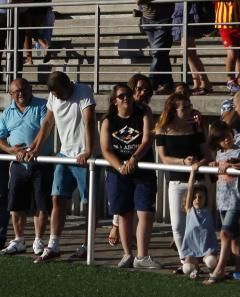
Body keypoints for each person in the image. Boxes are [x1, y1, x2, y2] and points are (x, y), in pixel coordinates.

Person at [27, 72, 96, 263]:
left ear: (67, 86)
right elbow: (48, 122)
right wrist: (34, 148)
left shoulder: (84, 91)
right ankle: (54, 245)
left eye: (59, 93)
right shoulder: (53, 95)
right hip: (64, 155)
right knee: (57, 198)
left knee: (89, 203)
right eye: (54, 94)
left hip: (82, 156)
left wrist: (89, 151)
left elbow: (88, 120)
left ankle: (86, 245)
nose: (57, 97)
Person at [100, 83, 159, 270]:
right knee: (124, 213)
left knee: (145, 213)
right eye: (121, 96)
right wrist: (120, 166)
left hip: (141, 171)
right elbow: (106, 149)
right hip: (119, 173)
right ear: (114, 100)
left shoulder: (143, 113)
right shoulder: (108, 120)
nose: (126, 98)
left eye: (128, 95)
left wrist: (134, 159)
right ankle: (127, 254)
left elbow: (147, 140)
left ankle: (142, 255)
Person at [155, 93, 209, 269]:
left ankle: (200, 255)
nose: (188, 110)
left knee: (198, 223)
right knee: (178, 225)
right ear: (173, 110)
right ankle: (184, 259)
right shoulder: (162, 129)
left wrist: (198, 164)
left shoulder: (195, 129)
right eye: (183, 108)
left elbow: (207, 154)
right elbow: (164, 158)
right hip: (177, 181)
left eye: (189, 106)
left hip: (198, 182)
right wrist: (183, 162)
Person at [0, 79, 52, 258]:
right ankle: (19, 239)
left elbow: (44, 130)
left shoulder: (43, 106)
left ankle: (38, 239)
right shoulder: (7, 113)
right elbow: (1, 137)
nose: (19, 94)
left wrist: (31, 150)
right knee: (15, 204)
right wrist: (11, 150)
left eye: (22, 89)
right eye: (15, 92)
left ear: (30, 89)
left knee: (41, 203)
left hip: (40, 162)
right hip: (17, 165)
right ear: (11, 94)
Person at [206, 121, 240, 283]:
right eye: (222, 138)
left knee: (225, 233)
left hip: (236, 199)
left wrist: (232, 166)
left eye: (228, 135)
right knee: (234, 236)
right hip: (222, 199)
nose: (226, 139)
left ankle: (219, 269)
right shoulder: (218, 155)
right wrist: (213, 165)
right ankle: (239, 268)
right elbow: (215, 176)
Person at [126, 0, 173, 93]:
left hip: (163, 17)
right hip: (147, 17)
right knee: (161, 53)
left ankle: (150, 83)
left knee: (157, 52)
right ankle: (168, 83)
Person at [181, 164, 219, 280]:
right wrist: (192, 172)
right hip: (191, 249)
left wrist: (206, 172)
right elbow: (190, 188)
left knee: (211, 261)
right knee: (186, 268)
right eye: (195, 197)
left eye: (201, 197)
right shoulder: (189, 210)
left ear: (205, 199)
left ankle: (212, 270)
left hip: (207, 248)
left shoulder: (208, 210)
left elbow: (209, 189)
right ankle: (195, 268)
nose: (197, 199)